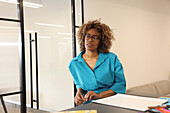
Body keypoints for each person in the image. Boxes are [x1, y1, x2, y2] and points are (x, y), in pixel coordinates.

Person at [69, 20, 126, 105]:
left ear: (101, 41)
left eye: (95, 37)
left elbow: (120, 84)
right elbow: (79, 84)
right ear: (83, 38)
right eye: (87, 36)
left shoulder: (111, 58)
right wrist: (78, 93)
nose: (90, 40)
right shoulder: (74, 64)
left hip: (112, 102)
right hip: (88, 104)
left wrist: (100, 95)